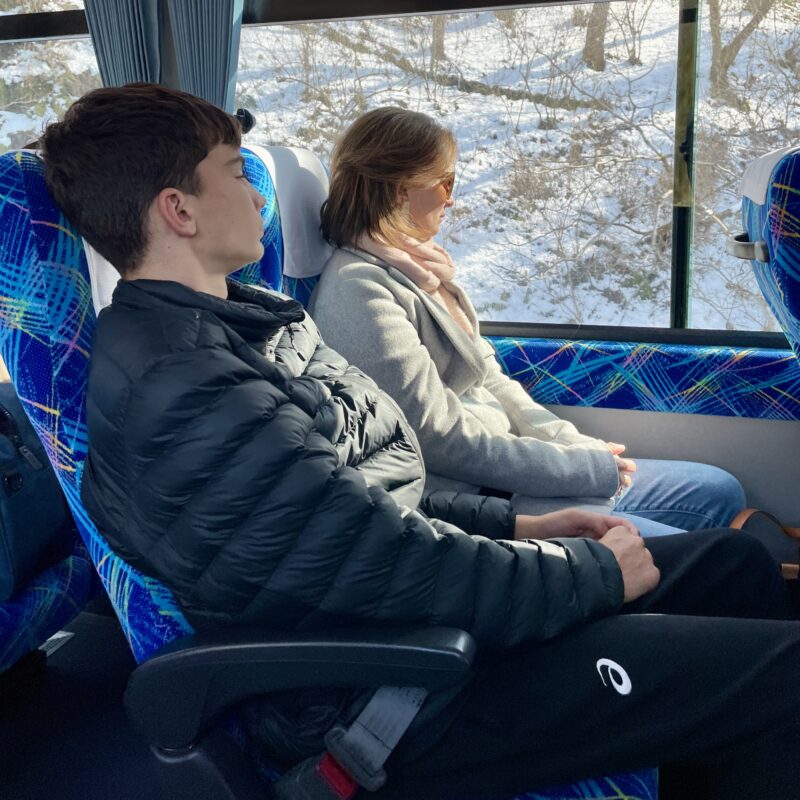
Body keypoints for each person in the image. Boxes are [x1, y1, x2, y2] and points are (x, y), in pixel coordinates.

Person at [41, 84, 800, 800]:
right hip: (391, 695)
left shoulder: (253, 319)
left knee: (732, 561)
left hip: (426, 615)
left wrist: (521, 524)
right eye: (238, 172)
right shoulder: (181, 386)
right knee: (780, 678)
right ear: (180, 210)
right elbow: (374, 554)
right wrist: (589, 578)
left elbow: (367, 492)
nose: (257, 195)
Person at [309, 107, 746, 538]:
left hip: (512, 466)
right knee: (724, 556)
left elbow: (492, 383)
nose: (451, 198)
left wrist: (572, 444)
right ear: (402, 190)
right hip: (483, 495)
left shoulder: (418, 271)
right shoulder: (359, 290)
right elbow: (437, 439)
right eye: (447, 182)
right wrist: (579, 469)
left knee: (719, 490)